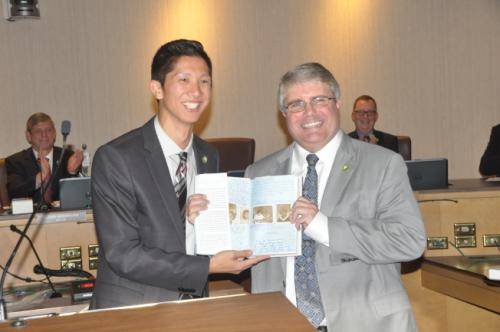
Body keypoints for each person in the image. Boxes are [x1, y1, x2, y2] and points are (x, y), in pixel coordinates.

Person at [246, 63, 426, 331]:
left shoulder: (383, 164)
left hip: (367, 323)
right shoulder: (258, 173)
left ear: (338, 103)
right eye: (296, 104)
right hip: (280, 323)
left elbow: (410, 242)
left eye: (319, 100)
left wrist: (322, 226)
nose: (309, 113)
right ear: (283, 114)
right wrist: (200, 223)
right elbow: (239, 250)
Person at [90, 39, 267, 309]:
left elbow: (191, 235)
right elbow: (123, 254)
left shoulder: (208, 154)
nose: (196, 91)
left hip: (193, 306)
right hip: (136, 309)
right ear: (157, 89)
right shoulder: (118, 157)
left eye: (205, 81)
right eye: (183, 80)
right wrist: (207, 266)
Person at [6, 112, 83, 203]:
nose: (44, 135)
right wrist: (39, 179)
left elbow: (78, 195)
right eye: (38, 131)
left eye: (48, 130)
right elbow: (14, 193)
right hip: (31, 215)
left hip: (63, 214)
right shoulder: (16, 161)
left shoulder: (68, 156)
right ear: (28, 136)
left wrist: (72, 173)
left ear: (54, 133)